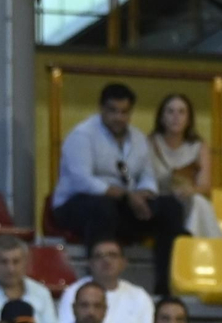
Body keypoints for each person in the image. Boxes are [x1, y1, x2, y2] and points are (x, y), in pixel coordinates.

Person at [51, 82, 185, 295]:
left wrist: (144, 194)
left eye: (124, 112)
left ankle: (165, 287)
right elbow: (82, 180)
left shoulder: (139, 138)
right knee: (103, 207)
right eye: (112, 111)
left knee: (170, 208)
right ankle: (98, 284)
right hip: (76, 205)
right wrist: (126, 195)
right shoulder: (82, 136)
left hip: (124, 203)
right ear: (102, 109)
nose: (118, 118)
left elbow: (147, 175)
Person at [148, 92, 221, 238]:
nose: (176, 116)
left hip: (187, 200)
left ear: (189, 119)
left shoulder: (198, 146)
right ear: (161, 117)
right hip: (159, 202)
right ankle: (209, 245)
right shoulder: (149, 143)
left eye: (181, 112)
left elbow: (205, 186)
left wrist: (190, 191)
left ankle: (197, 244)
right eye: (170, 111)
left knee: (199, 201)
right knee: (191, 205)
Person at [57, 239, 156, 323]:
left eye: (112, 255)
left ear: (123, 263)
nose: (106, 260)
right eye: (99, 256)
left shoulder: (139, 296)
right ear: (90, 264)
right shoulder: (74, 292)